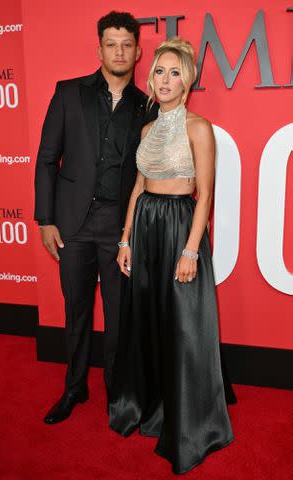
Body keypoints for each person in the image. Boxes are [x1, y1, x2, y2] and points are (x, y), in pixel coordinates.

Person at [109, 37, 234, 474]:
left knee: (181, 323)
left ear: (188, 80)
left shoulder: (199, 127)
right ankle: (146, 403)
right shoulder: (145, 130)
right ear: (151, 77)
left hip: (180, 224)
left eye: (174, 72)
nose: (165, 80)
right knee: (147, 316)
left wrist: (191, 250)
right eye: (159, 71)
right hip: (145, 224)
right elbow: (138, 188)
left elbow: (205, 196)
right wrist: (125, 240)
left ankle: (189, 420)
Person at [34, 11, 157, 425]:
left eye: (126, 44)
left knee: (120, 313)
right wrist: (45, 220)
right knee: (77, 309)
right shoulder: (68, 93)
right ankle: (74, 387)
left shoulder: (148, 106)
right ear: (99, 48)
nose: (119, 52)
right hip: (72, 224)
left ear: (138, 52)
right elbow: (47, 160)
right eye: (111, 44)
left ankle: (117, 393)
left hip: (121, 228)